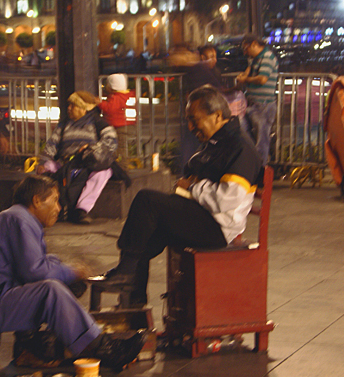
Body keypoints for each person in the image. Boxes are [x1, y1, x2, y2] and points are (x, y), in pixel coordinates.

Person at [0, 175, 146, 372]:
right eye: (54, 200)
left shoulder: (18, 218)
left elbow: (35, 263)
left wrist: (68, 272)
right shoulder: (20, 219)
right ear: (37, 200)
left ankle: (31, 346)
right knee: (51, 289)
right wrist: (70, 272)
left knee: (62, 282)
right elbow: (34, 271)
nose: (59, 208)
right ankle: (106, 348)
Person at [90, 85, 261, 305]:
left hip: (216, 227)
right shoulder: (217, 142)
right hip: (200, 213)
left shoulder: (240, 147)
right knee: (144, 233)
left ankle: (127, 273)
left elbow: (227, 199)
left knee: (147, 201)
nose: (191, 127)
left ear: (217, 116)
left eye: (194, 119)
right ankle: (133, 301)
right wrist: (193, 184)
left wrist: (192, 187)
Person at [38, 91, 119, 224]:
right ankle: (50, 208)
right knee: (46, 169)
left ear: (83, 108)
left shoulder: (98, 123)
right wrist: (44, 162)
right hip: (66, 162)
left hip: (89, 164)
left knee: (103, 173)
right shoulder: (64, 124)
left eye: (73, 105)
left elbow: (111, 142)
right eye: (69, 105)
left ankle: (82, 210)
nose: (69, 108)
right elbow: (52, 144)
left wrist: (90, 147)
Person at [171, 44, 223, 166]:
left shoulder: (199, 69)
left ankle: (189, 169)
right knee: (192, 142)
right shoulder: (196, 69)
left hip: (203, 112)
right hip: (199, 113)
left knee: (192, 143)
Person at [236, 34, 278, 166]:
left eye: (246, 48)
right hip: (252, 103)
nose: (245, 52)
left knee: (262, 141)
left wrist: (245, 79)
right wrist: (244, 75)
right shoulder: (255, 59)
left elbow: (262, 79)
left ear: (254, 44)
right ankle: (253, 164)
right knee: (242, 131)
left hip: (263, 105)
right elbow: (248, 72)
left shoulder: (267, 57)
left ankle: (259, 171)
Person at [96, 73, 133, 161]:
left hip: (117, 127)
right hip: (119, 126)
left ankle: (121, 166)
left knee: (119, 148)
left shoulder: (117, 98)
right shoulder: (120, 96)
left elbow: (110, 109)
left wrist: (100, 103)